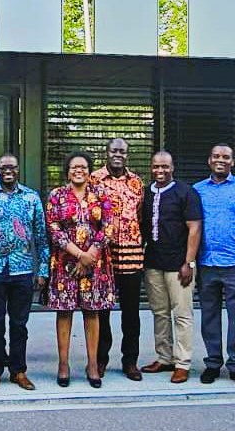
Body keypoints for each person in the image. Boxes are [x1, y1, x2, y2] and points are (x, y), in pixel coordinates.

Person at [0, 153, 48, 391]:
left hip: (23, 269)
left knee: (19, 324)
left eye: (12, 167)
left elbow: (41, 238)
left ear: (18, 170)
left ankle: (19, 370)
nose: (8, 171)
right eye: (3, 167)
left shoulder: (31, 198)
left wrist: (43, 269)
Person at [193, 144, 235, 390]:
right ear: (209, 160)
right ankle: (212, 363)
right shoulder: (197, 190)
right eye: (216, 156)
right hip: (206, 264)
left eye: (226, 157)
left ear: (232, 162)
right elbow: (191, 227)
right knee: (209, 316)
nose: (221, 160)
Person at [45, 152, 114, 389]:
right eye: (74, 167)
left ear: (89, 170)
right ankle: (63, 364)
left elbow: (108, 226)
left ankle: (93, 364)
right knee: (64, 312)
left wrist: (91, 254)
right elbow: (54, 228)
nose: (79, 171)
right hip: (66, 264)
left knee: (92, 312)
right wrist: (79, 254)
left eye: (83, 167)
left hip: (95, 264)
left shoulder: (100, 194)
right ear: (67, 170)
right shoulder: (56, 196)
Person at [138, 151, 201, 385]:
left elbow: (194, 228)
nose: (160, 171)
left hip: (179, 264)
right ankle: (164, 357)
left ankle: (182, 362)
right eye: (156, 167)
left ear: (172, 167)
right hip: (153, 262)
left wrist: (189, 262)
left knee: (182, 314)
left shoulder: (186, 192)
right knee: (160, 313)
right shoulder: (145, 193)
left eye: (165, 167)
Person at [91, 138, 146, 381]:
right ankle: (101, 359)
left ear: (127, 155)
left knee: (131, 313)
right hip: (104, 257)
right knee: (102, 311)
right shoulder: (93, 180)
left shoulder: (137, 182)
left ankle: (130, 361)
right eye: (114, 150)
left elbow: (141, 216)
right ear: (107, 152)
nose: (118, 155)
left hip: (132, 256)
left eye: (122, 151)